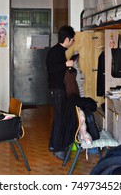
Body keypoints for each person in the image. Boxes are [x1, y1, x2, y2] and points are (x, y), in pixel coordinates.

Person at [46, 25, 75, 161]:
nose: (72, 42)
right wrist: (66, 65)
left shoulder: (59, 51)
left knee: (58, 118)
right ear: (67, 39)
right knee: (60, 119)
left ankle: (53, 145)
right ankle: (58, 149)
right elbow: (52, 70)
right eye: (72, 40)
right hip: (56, 90)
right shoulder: (55, 51)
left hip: (57, 89)